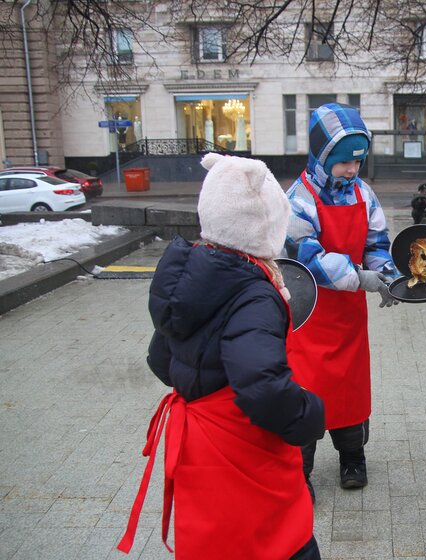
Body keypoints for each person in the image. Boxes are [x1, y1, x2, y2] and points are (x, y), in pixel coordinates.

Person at [117, 153, 325, 559]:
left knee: (217, 541)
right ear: (266, 224)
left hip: (198, 446)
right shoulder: (253, 290)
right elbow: (262, 385)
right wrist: (307, 414)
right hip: (243, 449)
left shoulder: (191, 271)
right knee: (283, 541)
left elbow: (161, 359)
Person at [284, 102, 398, 501]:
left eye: (358, 162)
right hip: (309, 318)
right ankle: (299, 473)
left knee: (350, 395)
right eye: (343, 162)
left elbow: (376, 243)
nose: (352, 170)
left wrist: (387, 273)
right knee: (306, 397)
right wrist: (362, 278)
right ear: (321, 155)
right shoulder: (298, 198)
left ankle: (353, 457)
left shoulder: (364, 194)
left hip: (349, 319)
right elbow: (309, 258)